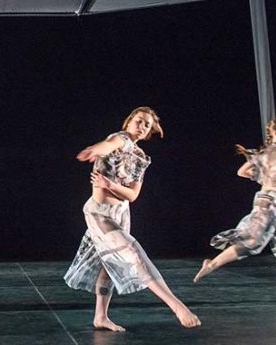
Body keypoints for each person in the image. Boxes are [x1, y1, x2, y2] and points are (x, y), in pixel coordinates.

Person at [64, 107, 201, 331]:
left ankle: (100, 317)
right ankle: (177, 306)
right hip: (99, 213)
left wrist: (110, 185)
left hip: (121, 214)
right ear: (129, 122)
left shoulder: (140, 158)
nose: (142, 126)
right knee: (134, 254)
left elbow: (133, 195)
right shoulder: (119, 138)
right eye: (139, 121)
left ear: (148, 133)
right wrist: (94, 149)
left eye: (146, 125)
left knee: (108, 265)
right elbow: (108, 146)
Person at [193, 119, 276, 300]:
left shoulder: (263, 153)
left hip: (266, 201)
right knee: (253, 242)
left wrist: (264, 176)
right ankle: (212, 264)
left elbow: (241, 171)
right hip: (272, 204)